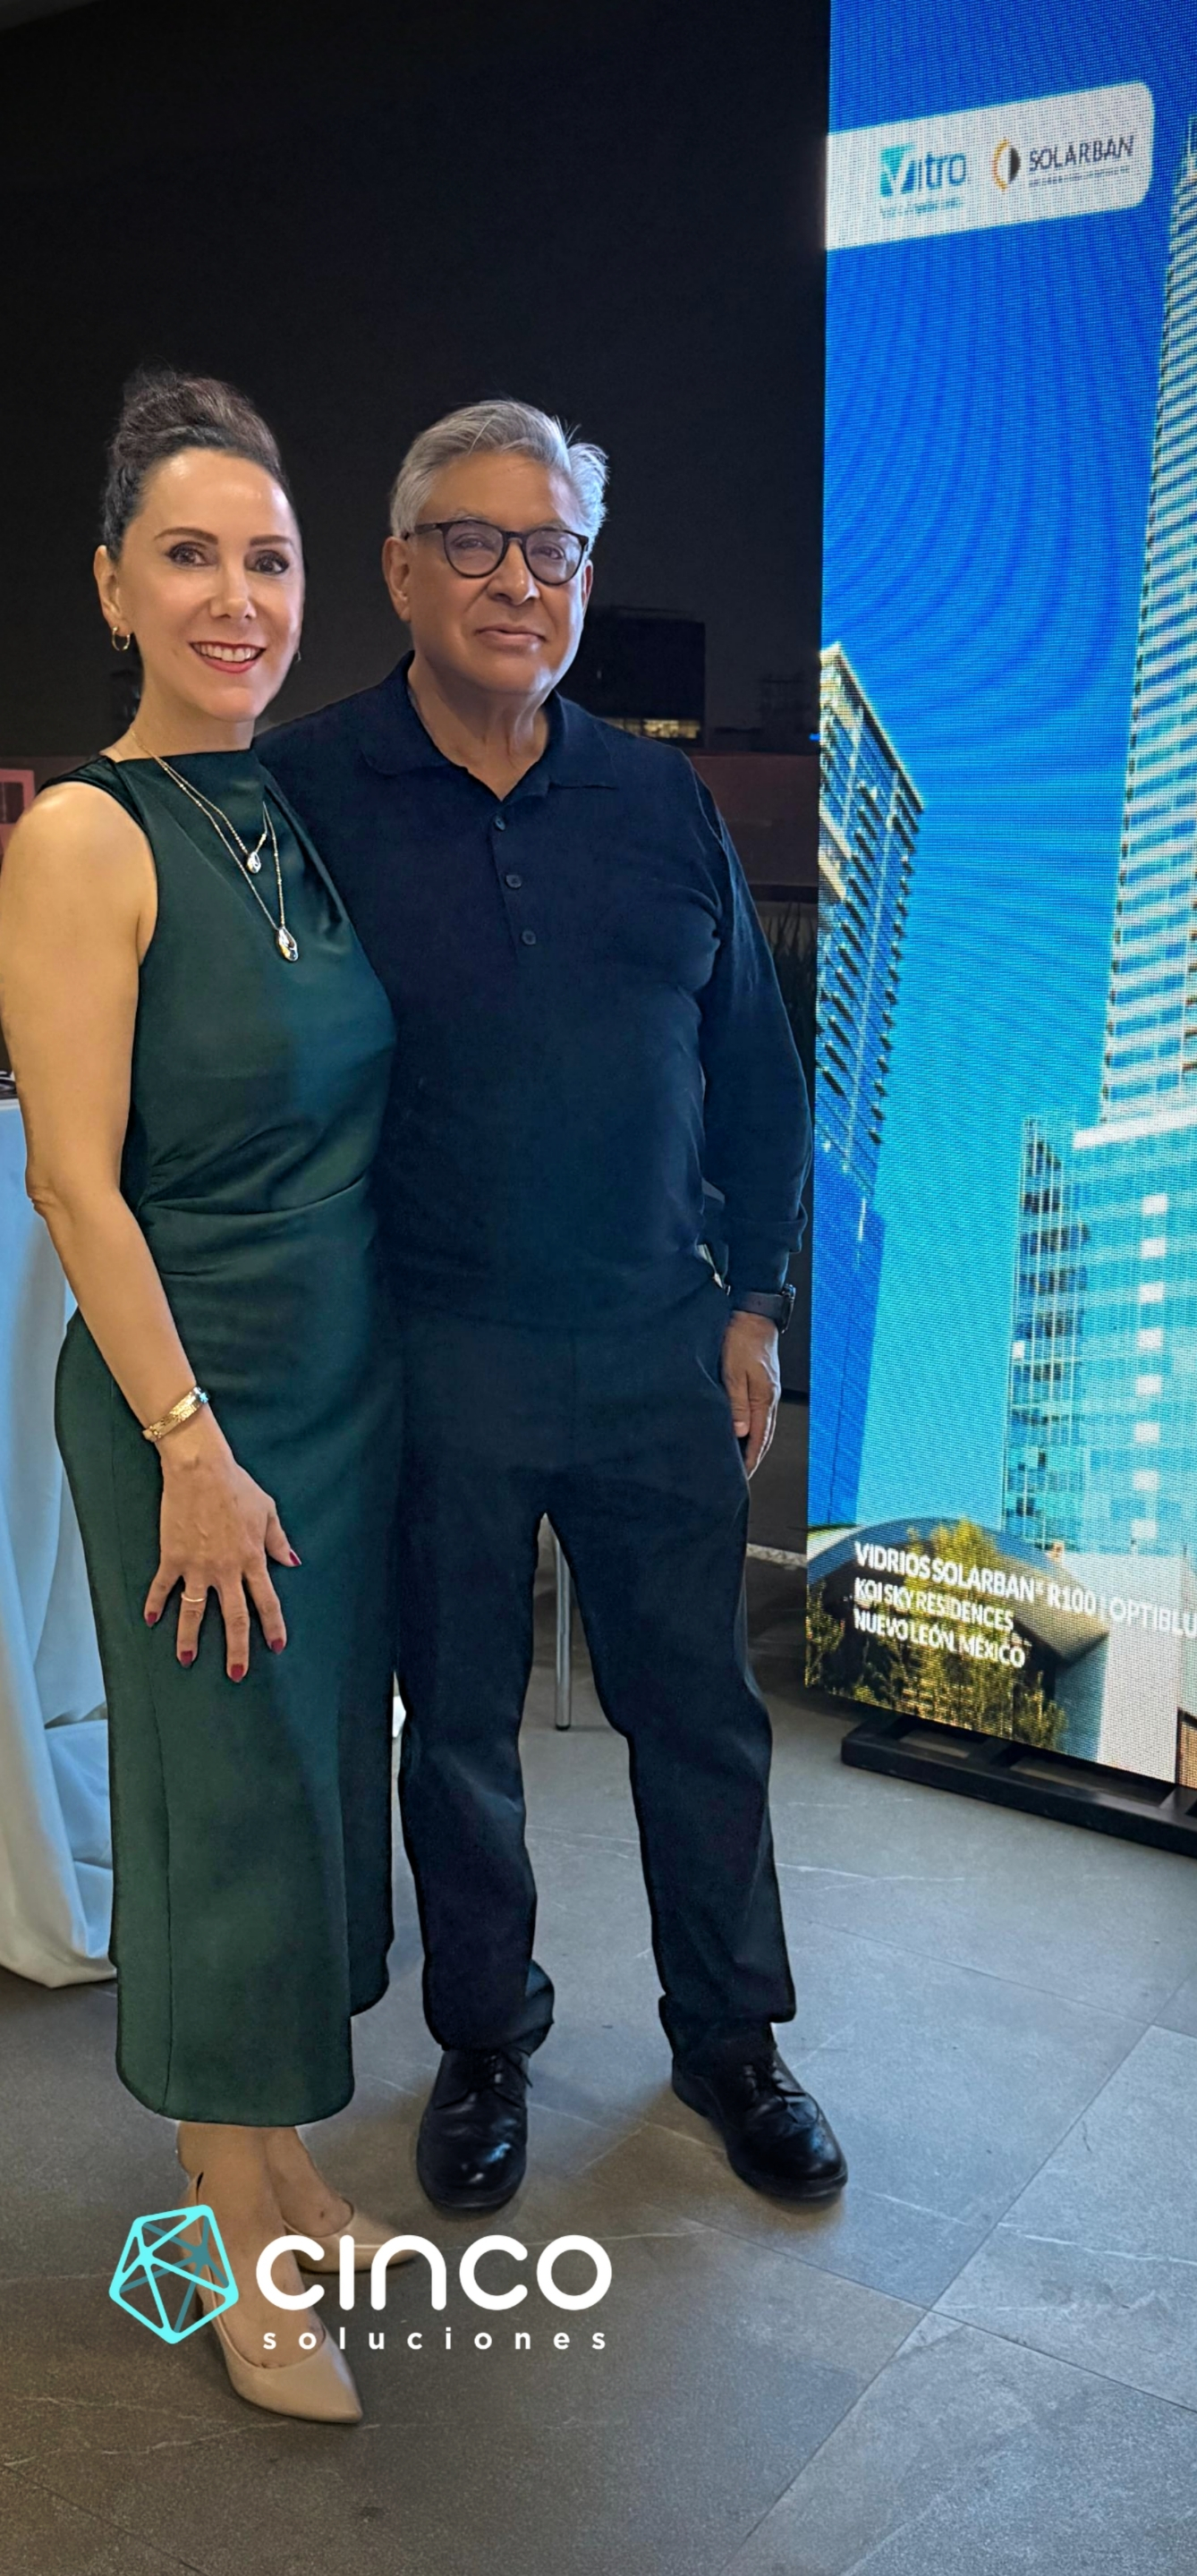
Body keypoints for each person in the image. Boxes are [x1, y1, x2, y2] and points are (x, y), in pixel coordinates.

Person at [264, 398, 846, 2212]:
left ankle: (732, 2038)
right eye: (477, 542)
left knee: (701, 1716)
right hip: (430, 1346)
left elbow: (756, 1072)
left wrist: (754, 1304)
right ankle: (486, 2042)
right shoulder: (311, 788)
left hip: (656, 1341)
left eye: (556, 550)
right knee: (456, 1729)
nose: (520, 581)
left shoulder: (661, 800)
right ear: (400, 568)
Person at [0, 369, 408, 2425]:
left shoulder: (284, 812)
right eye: (189, 556)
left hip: (336, 1393)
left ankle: (272, 2157)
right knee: (225, 1810)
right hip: (197, 1403)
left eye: (269, 558)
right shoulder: (87, 831)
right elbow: (76, 1181)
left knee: (310, 1788)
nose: (238, 598)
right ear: (111, 587)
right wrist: (189, 1450)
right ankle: (234, 2240)